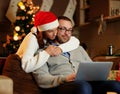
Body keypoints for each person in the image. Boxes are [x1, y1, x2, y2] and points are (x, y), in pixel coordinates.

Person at [33, 16, 120, 94]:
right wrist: (64, 78)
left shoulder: (79, 48)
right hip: (63, 85)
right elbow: (41, 79)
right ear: (55, 29)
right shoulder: (43, 52)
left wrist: (100, 74)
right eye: (63, 29)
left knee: (116, 85)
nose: (67, 33)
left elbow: (91, 66)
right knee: (84, 87)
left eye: (70, 30)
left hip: (87, 82)